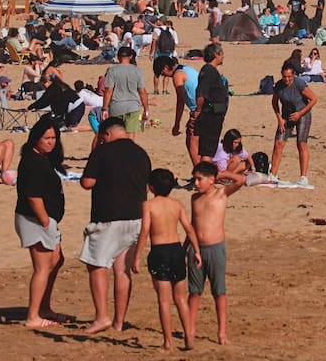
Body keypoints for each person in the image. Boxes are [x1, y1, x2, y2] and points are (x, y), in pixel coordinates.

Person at [80, 117, 152, 334]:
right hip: (136, 216)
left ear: (107, 134)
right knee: (122, 271)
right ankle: (119, 322)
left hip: (108, 216)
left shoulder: (102, 151)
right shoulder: (141, 153)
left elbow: (87, 182)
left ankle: (102, 316)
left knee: (96, 264)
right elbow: (146, 187)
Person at [133, 169, 199, 351]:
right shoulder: (177, 204)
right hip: (176, 250)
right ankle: (189, 336)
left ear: (151, 187)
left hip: (159, 251)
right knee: (181, 298)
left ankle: (168, 341)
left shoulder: (149, 205)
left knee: (164, 300)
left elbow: (145, 230)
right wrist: (197, 251)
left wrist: (137, 256)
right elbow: (189, 229)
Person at [14, 116, 66, 328]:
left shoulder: (43, 158)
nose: (51, 142)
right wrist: (45, 222)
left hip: (45, 220)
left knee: (56, 260)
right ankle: (33, 316)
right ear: (36, 138)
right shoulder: (32, 161)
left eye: (53, 138)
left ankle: (44, 307)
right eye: (47, 138)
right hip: (35, 220)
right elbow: (33, 196)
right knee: (42, 267)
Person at [188, 160, 246, 345]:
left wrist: (224, 174)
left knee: (219, 292)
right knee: (194, 292)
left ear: (211, 179)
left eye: (199, 179)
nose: (196, 183)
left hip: (215, 249)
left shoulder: (221, 194)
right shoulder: (194, 198)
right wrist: (185, 247)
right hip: (196, 249)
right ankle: (190, 330)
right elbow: (192, 225)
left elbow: (241, 180)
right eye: (194, 179)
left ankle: (222, 333)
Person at [270, 62, 317, 185]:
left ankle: (303, 177)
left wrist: (300, 113)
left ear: (293, 75)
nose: (287, 79)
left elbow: (313, 99)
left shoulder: (299, 84)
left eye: (289, 77)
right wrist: (279, 118)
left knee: (301, 144)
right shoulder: (279, 86)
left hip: (303, 114)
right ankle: (273, 175)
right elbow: (274, 102)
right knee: (278, 143)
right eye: (284, 77)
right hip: (286, 116)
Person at [157, 56, 201, 166]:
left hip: (199, 111)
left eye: (162, 73)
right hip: (206, 108)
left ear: (165, 67)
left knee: (192, 144)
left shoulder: (177, 75)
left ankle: (200, 172)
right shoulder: (187, 68)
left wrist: (176, 124)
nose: (164, 76)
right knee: (198, 144)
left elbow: (180, 101)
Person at [194, 43, 230, 163]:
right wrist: (198, 111)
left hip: (215, 115)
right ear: (216, 55)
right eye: (222, 54)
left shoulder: (210, 71)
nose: (223, 56)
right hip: (210, 115)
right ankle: (205, 172)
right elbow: (201, 93)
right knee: (207, 150)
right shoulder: (208, 71)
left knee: (210, 149)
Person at [101, 46, 149, 135]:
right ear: (130, 56)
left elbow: (108, 91)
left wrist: (104, 108)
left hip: (116, 106)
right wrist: (146, 109)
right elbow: (142, 92)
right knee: (130, 135)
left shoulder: (112, 71)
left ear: (118, 56)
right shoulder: (137, 70)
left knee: (117, 135)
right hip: (133, 106)